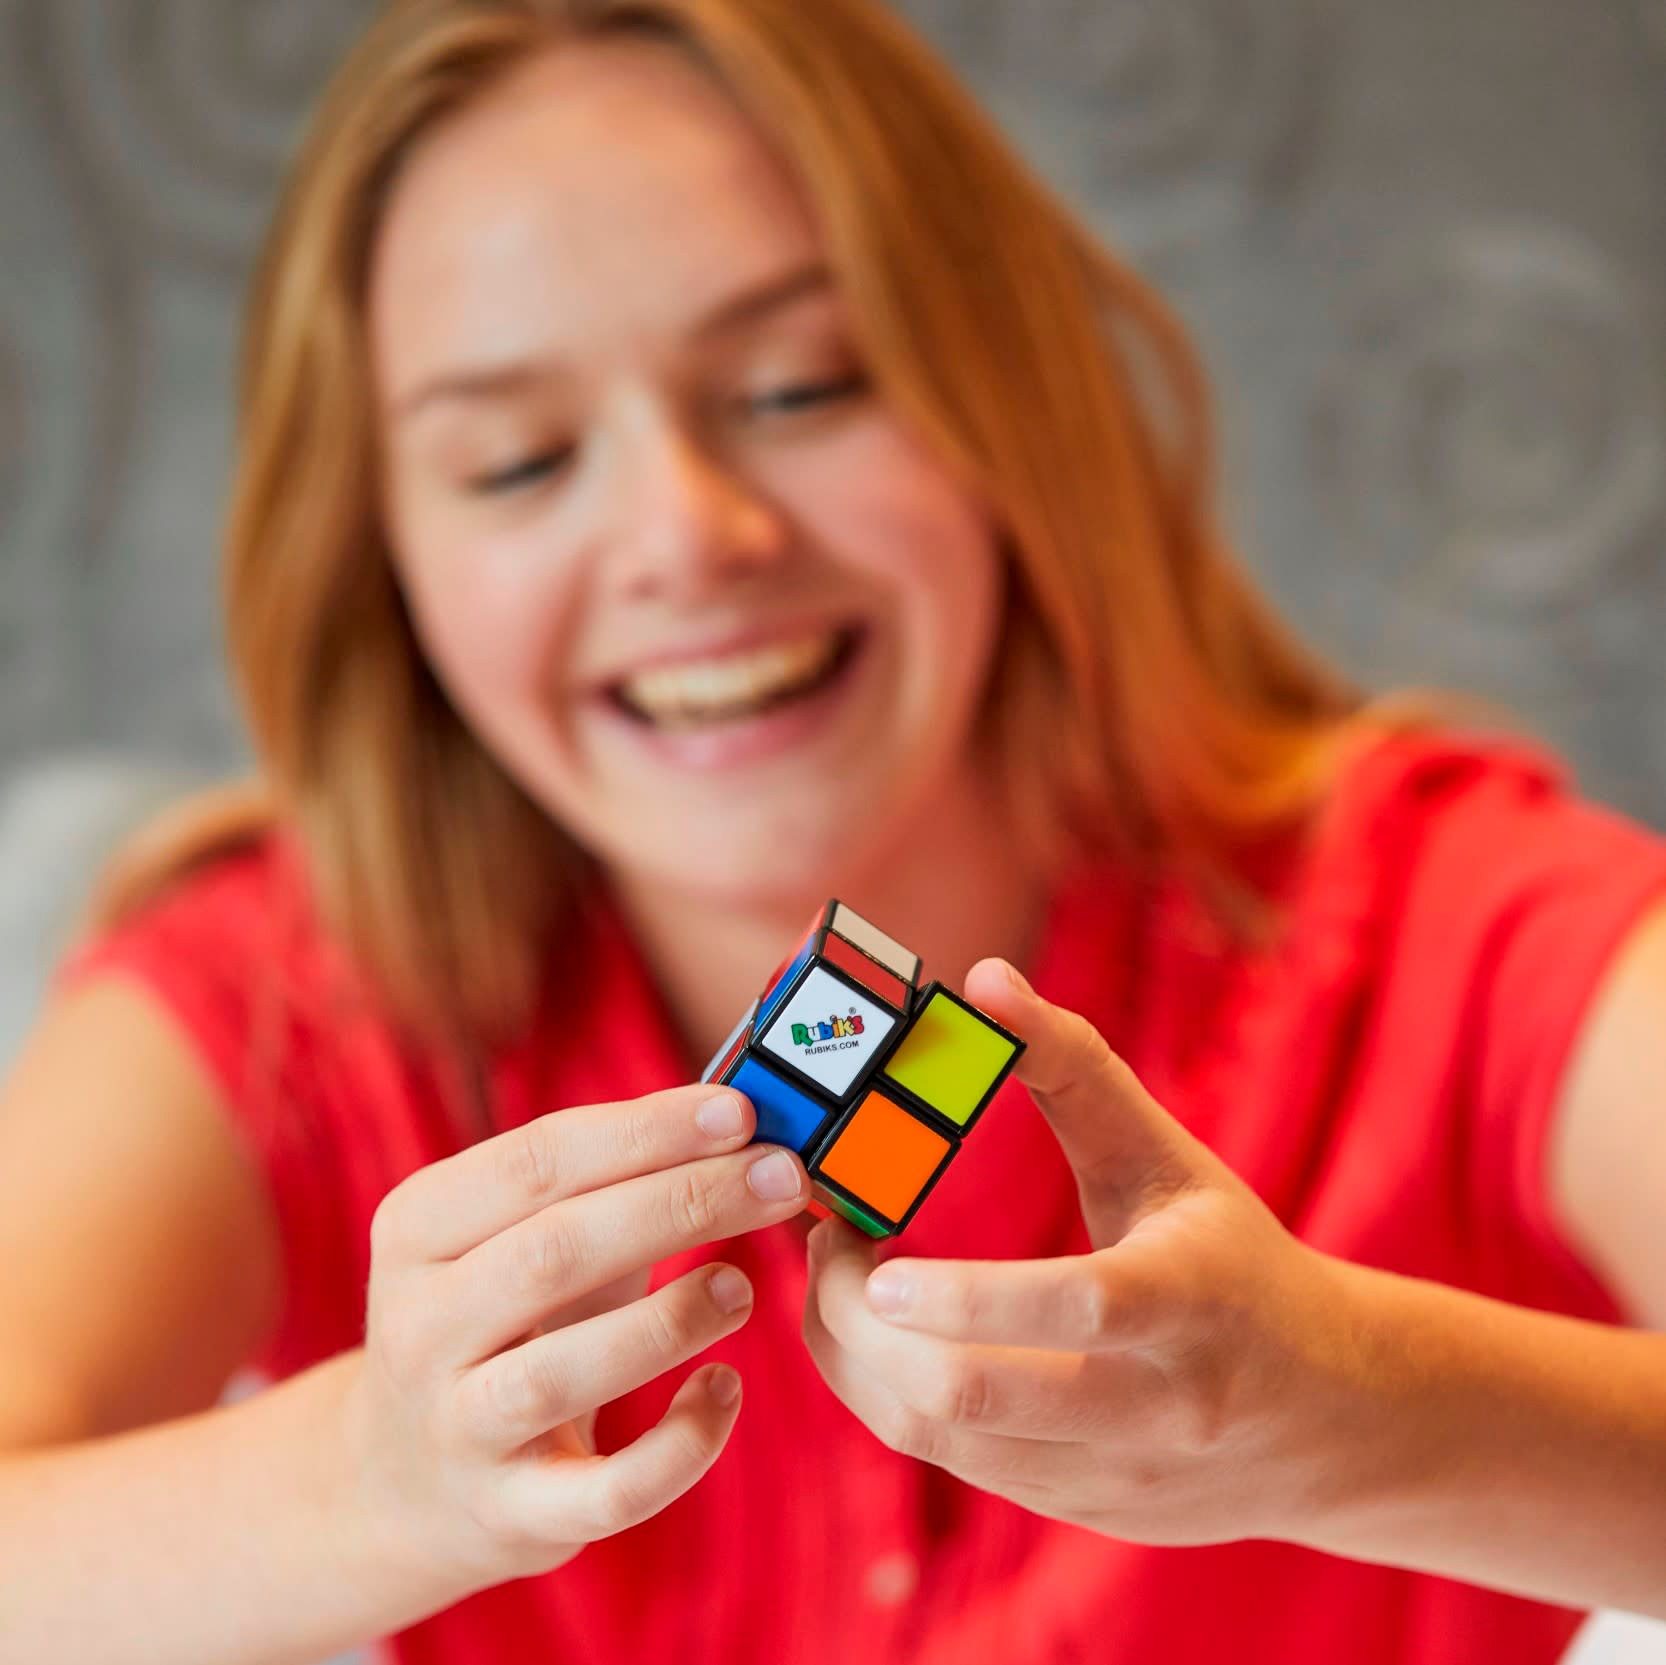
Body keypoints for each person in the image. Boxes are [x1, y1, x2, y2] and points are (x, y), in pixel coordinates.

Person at [0, 0, 1661, 1660]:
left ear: (1003, 400)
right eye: (516, 462)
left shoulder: (1451, 920)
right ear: (383, 567)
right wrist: (367, 1480)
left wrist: (1372, 1417)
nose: (688, 535)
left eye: (801, 385)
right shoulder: (277, 1000)